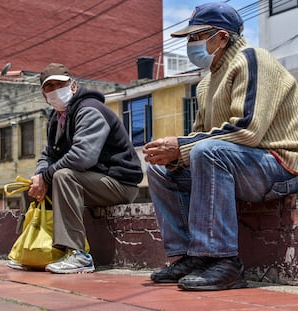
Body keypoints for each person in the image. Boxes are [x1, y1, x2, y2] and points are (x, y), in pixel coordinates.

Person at [143, 2, 298, 291]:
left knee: (206, 152)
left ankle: (224, 261)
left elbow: (248, 129)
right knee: (160, 170)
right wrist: (174, 156)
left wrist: (183, 147)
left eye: (196, 37)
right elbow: (201, 136)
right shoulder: (205, 84)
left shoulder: (252, 59)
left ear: (222, 37)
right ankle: (188, 256)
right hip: (241, 165)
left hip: (280, 164)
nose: (191, 44)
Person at [27, 63, 143, 273]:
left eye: (59, 84)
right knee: (37, 184)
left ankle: (77, 254)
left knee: (62, 176)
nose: (54, 91)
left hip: (119, 183)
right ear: (44, 94)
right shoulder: (56, 119)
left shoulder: (90, 109)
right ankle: (37, 249)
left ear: (73, 85)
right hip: (93, 182)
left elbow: (82, 158)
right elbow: (48, 155)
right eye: (49, 87)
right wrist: (39, 176)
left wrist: (46, 175)